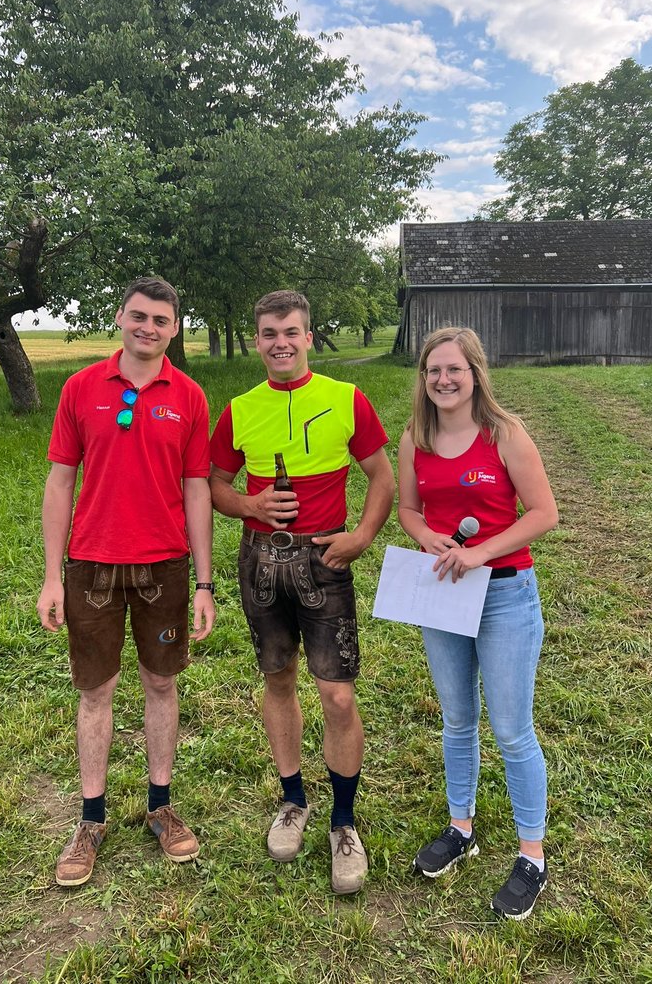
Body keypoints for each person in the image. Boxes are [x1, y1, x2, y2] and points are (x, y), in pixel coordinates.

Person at [209, 290, 394, 895]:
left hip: (323, 560)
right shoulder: (239, 409)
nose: (280, 342)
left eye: (291, 331)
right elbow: (215, 484)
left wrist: (361, 536)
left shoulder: (346, 398)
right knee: (278, 680)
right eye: (269, 333)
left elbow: (381, 475)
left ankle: (343, 821)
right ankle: (293, 800)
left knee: (337, 696)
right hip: (261, 561)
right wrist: (250, 504)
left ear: (309, 337)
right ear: (256, 340)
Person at [36, 276, 215, 887]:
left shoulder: (189, 396)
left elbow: (197, 489)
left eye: (161, 320)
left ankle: (160, 806)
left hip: (164, 566)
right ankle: (91, 819)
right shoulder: (81, 387)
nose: (148, 328)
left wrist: (204, 583)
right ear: (120, 317)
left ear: (174, 328)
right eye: (139, 316)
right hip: (92, 565)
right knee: (96, 691)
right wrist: (51, 577)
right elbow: (61, 481)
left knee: (161, 683)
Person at [397, 325, 558, 921]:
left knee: (512, 730)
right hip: (445, 594)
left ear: (475, 374)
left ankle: (532, 855)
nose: (443, 380)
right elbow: (408, 509)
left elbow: (544, 513)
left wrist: (481, 552)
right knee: (458, 720)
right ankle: (460, 828)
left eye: (454, 370)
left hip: (505, 593)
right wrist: (429, 537)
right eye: (433, 370)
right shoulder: (415, 437)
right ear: (424, 378)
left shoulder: (504, 433)